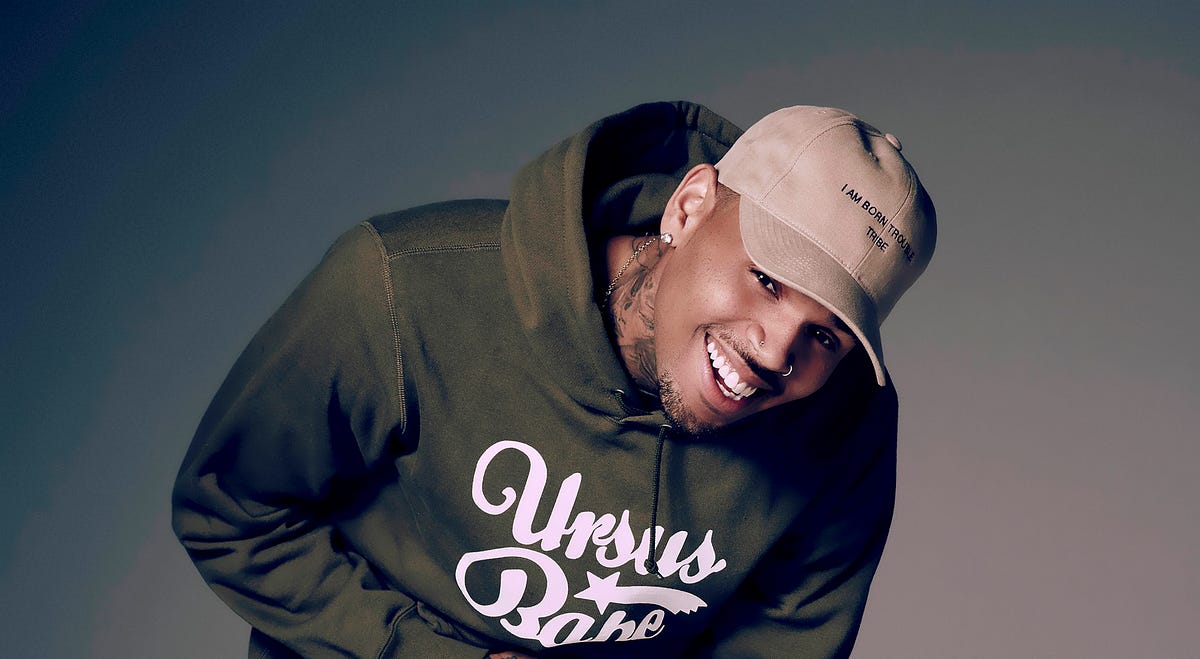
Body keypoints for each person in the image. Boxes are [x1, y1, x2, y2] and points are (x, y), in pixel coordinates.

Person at [173, 101, 936, 658]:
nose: (776, 352)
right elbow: (229, 507)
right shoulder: (404, 289)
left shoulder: (846, 426)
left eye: (826, 334)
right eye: (767, 279)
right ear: (689, 206)